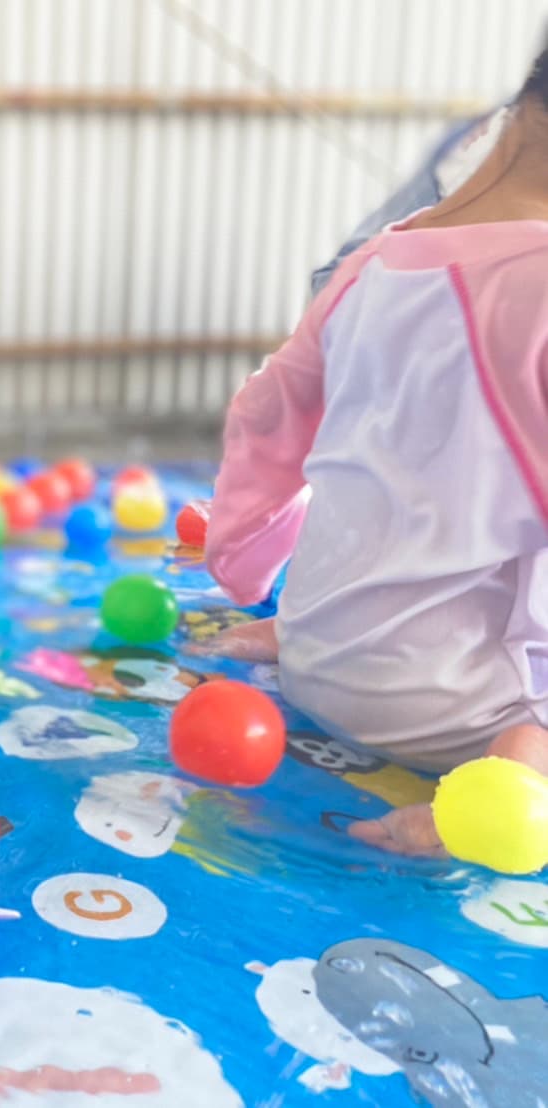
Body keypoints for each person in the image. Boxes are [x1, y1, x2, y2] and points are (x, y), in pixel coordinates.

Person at [201, 48, 548, 857]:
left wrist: (247, 569)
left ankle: (309, 626)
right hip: (460, 724)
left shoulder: (365, 266)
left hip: (318, 671)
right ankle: (516, 788)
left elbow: (263, 418)